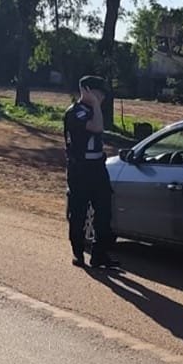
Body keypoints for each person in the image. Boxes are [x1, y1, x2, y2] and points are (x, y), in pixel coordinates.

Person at [64, 75, 117, 269]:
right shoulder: (75, 112)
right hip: (80, 169)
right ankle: (78, 253)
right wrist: (95, 103)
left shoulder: (95, 110)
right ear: (85, 90)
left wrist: (95, 105)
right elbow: (96, 127)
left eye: (102, 93)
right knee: (79, 212)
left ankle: (99, 255)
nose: (101, 96)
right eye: (98, 93)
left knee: (104, 211)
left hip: (97, 168)